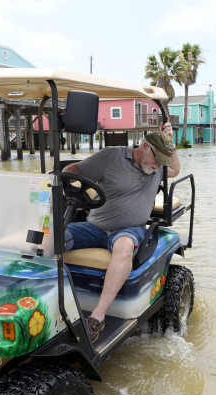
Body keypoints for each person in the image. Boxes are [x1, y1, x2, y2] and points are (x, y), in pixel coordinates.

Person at [62, 122, 180, 342]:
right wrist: (64, 187)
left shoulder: (158, 166)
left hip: (129, 228)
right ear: (145, 147)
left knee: (124, 246)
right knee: (51, 236)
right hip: (94, 226)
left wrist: (170, 143)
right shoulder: (111, 157)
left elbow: (175, 169)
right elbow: (73, 171)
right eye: (156, 160)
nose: (157, 167)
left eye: (161, 163)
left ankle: (97, 317)